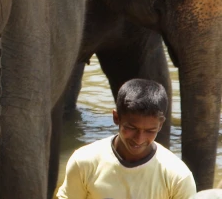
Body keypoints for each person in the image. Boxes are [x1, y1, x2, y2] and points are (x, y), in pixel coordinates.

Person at [57, 78, 196, 199]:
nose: (139, 139)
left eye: (150, 131)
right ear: (116, 117)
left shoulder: (178, 176)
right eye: (131, 128)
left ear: (160, 125)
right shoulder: (84, 162)